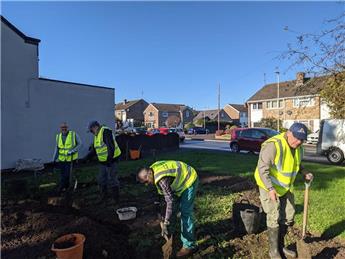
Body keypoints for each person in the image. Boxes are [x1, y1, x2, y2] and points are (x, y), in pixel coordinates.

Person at [254, 122, 314, 259]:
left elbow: (296, 164)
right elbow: (262, 169)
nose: (299, 142)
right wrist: (270, 189)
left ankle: (281, 245)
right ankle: (273, 251)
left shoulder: (299, 148)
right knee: (273, 215)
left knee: (288, 215)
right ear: (288, 133)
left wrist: (304, 172)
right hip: (268, 185)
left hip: (285, 187)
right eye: (296, 138)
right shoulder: (273, 145)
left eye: (302, 139)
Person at [137, 160, 199, 257]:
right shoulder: (153, 172)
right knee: (171, 211)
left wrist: (165, 221)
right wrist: (161, 218)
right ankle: (169, 232)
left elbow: (170, 201)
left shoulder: (162, 180)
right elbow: (160, 198)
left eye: (146, 182)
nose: (146, 184)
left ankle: (189, 246)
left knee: (185, 212)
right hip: (179, 183)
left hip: (189, 180)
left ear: (148, 174)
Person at [84, 120, 121, 203]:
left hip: (111, 161)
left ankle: (116, 199)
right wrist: (85, 158)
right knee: (101, 180)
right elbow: (94, 150)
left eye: (91, 130)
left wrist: (109, 160)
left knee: (112, 179)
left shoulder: (105, 132)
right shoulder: (97, 135)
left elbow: (110, 147)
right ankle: (104, 197)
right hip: (103, 162)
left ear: (95, 127)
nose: (91, 132)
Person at [53, 122, 82, 194]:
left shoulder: (73, 134)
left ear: (67, 127)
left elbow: (80, 144)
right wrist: (54, 158)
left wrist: (73, 151)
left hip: (70, 159)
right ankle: (64, 188)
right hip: (61, 159)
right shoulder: (58, 136)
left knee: (67, 174)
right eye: (62, 127)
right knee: (62, 174)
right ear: (60, 128)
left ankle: (64, 188)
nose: (64, 129)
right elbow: (57, 148)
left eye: (65, 127)